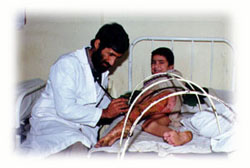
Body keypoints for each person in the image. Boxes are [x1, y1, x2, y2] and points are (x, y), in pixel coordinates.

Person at [21, 23, 130, 157]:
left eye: (116, 58)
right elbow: (65, 109)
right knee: (78, 146)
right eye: (110, 54)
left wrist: (120, 107)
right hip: (54, 122)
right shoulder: (67, 64)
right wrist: (105, 113)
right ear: (97, 44)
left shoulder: (101, 71)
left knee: (90, 147)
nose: (112, 63)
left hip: (78, 127)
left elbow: (96, 102)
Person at [95, 47, 192, 148]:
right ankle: (179, 136)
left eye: (161, 62)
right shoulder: (148, 82)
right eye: (153, 62)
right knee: (148, 125)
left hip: (169, 101)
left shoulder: (174, 75)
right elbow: (143, 97)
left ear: (170, 66)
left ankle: (123, 126)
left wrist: (143, 98)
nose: (156, 66)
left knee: (148, 103)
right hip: (162, 115)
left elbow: (174, 86)